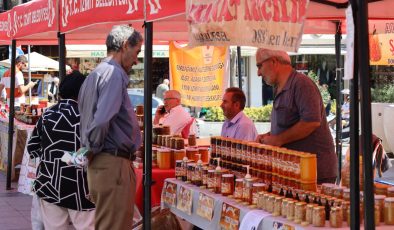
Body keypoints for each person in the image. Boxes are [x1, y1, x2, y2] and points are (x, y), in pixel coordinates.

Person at [78, 25, 143, 230]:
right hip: (111, 162)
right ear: (125, 46)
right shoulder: (113, 74)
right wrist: (92, 149)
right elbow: (101, 120)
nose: (135, 60)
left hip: (104, 163)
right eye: (136, 53)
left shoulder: (95, 74)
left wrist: (90, 150)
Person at [255, 48, 337, 184]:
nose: (258, 73)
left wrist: (278, 139)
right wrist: (270, 136)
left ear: (274, 62)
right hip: (296, 170)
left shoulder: (301, 84)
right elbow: (290, 124)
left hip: (315, 172)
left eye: (259, 66)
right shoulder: (280, 87)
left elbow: (311, 121)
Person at [27, 71, 95, 229]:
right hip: (80, 187)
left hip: (49, 183)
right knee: (88, 227)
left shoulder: (47, 114)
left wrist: (56, 157)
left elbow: (33, 148)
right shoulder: (88, 116)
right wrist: (70, 158)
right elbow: (95, 150)